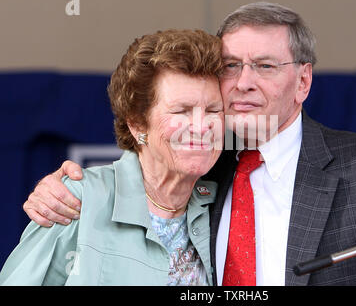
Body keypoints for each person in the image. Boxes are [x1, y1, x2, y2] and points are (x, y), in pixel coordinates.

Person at [21, 2, 356, 286]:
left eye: (264, 65)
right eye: (231, 66)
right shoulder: (200, 170)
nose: (243, 82)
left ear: (303, 81)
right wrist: (60, 191)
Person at [0, 29, 225, 285]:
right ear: (138, 125)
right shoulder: (76, 200)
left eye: (213, 110)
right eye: (181, 111)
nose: (201, 126)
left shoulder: (223, 203)